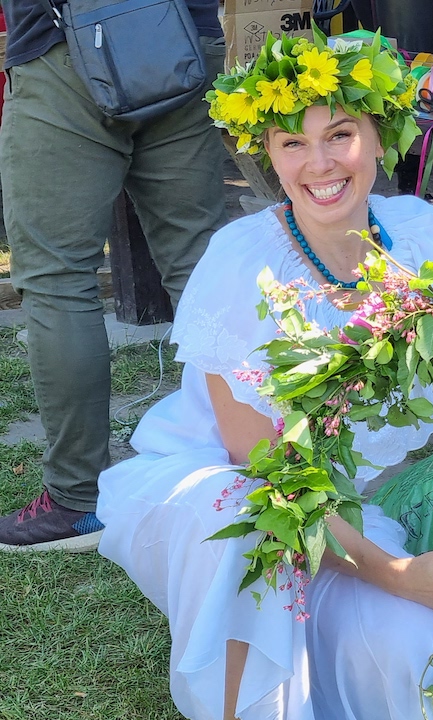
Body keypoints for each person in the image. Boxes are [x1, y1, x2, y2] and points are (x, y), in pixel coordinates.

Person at [92, 37, 433, 720]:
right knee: (254, 538)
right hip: (218, 499)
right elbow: (267, 475)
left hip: (336, 508)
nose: (320, 164)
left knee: (415, 639)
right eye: (291, 143)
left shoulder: (423, 238)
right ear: (269, 156)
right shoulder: (239, 263)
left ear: (381, 138)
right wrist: (395, 573)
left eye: (340, 134)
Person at [0, 0, 229, 551]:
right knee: (204, 266)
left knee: (58, 277)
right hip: (180, 32)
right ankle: (252, 467)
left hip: (64, 44)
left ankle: (79, 500)